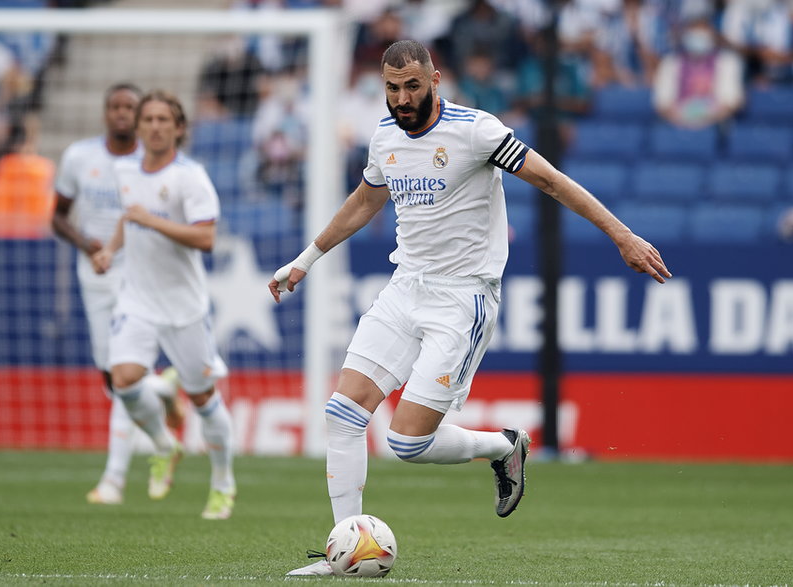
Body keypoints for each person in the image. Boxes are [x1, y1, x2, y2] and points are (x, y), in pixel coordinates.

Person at [270, 40, 672, 576]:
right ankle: (343, 548)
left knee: (406, 443)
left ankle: (504, 447)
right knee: (342, 414)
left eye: (412, 85)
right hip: (405, 286)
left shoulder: (475, 131)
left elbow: (551, 180)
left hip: (462, 298)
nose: (402, 97)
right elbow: (366, 200)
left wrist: (623, 237)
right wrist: (307, 258)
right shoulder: (385, 136)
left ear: (435, 80)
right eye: (392, 88)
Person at [92, 89, 237, 520]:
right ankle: (163, 442)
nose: (155, 126)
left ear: (179, 128)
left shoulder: (190, 177)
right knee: (123, 380)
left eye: (163, 120)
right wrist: (110, 250)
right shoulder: (123, 170)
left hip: (184, 307)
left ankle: (222, 482)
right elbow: (129, 214)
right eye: (148, 119)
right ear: (137, 128)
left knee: (203, 397)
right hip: (136, 299)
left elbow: (207, 239)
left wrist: (151, 220)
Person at [52, 83, 181, 506]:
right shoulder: (79, 157)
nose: (122, 113)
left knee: (123, 375)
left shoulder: (155, 165)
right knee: (115, 380)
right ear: (105, 112)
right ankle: (160, 398)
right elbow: (56, 216)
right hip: (95, 276)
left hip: (138, 277)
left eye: (130, 107)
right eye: (115, 107)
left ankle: (113, 480)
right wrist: (90, 246)